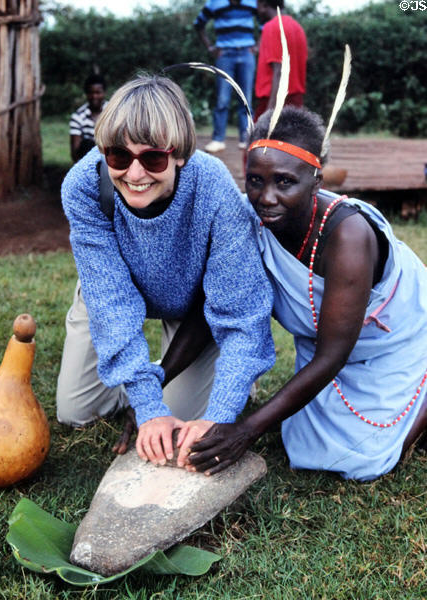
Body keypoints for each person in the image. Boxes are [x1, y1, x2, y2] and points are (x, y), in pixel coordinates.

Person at [188, 106, 427, 481]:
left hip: (395, 340)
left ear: (316, 180)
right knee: (301, 446)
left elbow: (332, 355)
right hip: (326, 350)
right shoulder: (249, 222)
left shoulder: (348, 237)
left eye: (284, 182)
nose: (265, 197)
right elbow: (218, 307)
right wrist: (157, 378)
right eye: (254, 180)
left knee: (362, 462)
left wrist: (247, 430)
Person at [58, 74, 275, 468]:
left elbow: (242, 314)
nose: (135, 174)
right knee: (75, 411)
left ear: (179, 153)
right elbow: (111, 300)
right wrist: (147, 405)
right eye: (119, 157)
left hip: (190, 305)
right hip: (112, 287)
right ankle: (137, 372)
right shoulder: (83, 186)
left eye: (153, 158)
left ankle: (211, 376)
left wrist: (221, 413)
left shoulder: (214, 188)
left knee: (189, 421)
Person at [194, 0, 259, 152]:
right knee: (222, 99)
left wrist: (258, 46)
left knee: (246, 98)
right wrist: (210, 47)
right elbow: (198, 24)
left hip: (246, 52)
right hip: (225, 54)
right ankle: (218, 140)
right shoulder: (215, 3)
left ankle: (247, 138)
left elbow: (265, 21)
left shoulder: (252, 3)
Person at [254, 0, 307, 122]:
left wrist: (270, 111)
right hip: (295, 100)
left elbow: (279, 71)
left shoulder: (271, 27)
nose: (256, 10)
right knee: (292, 140)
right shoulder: (297, 27)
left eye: (257, 5)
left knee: (260, 140)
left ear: (264, 5)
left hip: (272, 99)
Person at [69, 74, 107, 163]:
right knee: (87, 144)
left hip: (110, 159)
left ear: (104, 93)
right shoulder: (78, 117)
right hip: (87, 162)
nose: (94, 96)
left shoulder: (115, 112)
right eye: (91, 93)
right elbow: (75, 152)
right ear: (86, 94)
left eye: (98, 92)